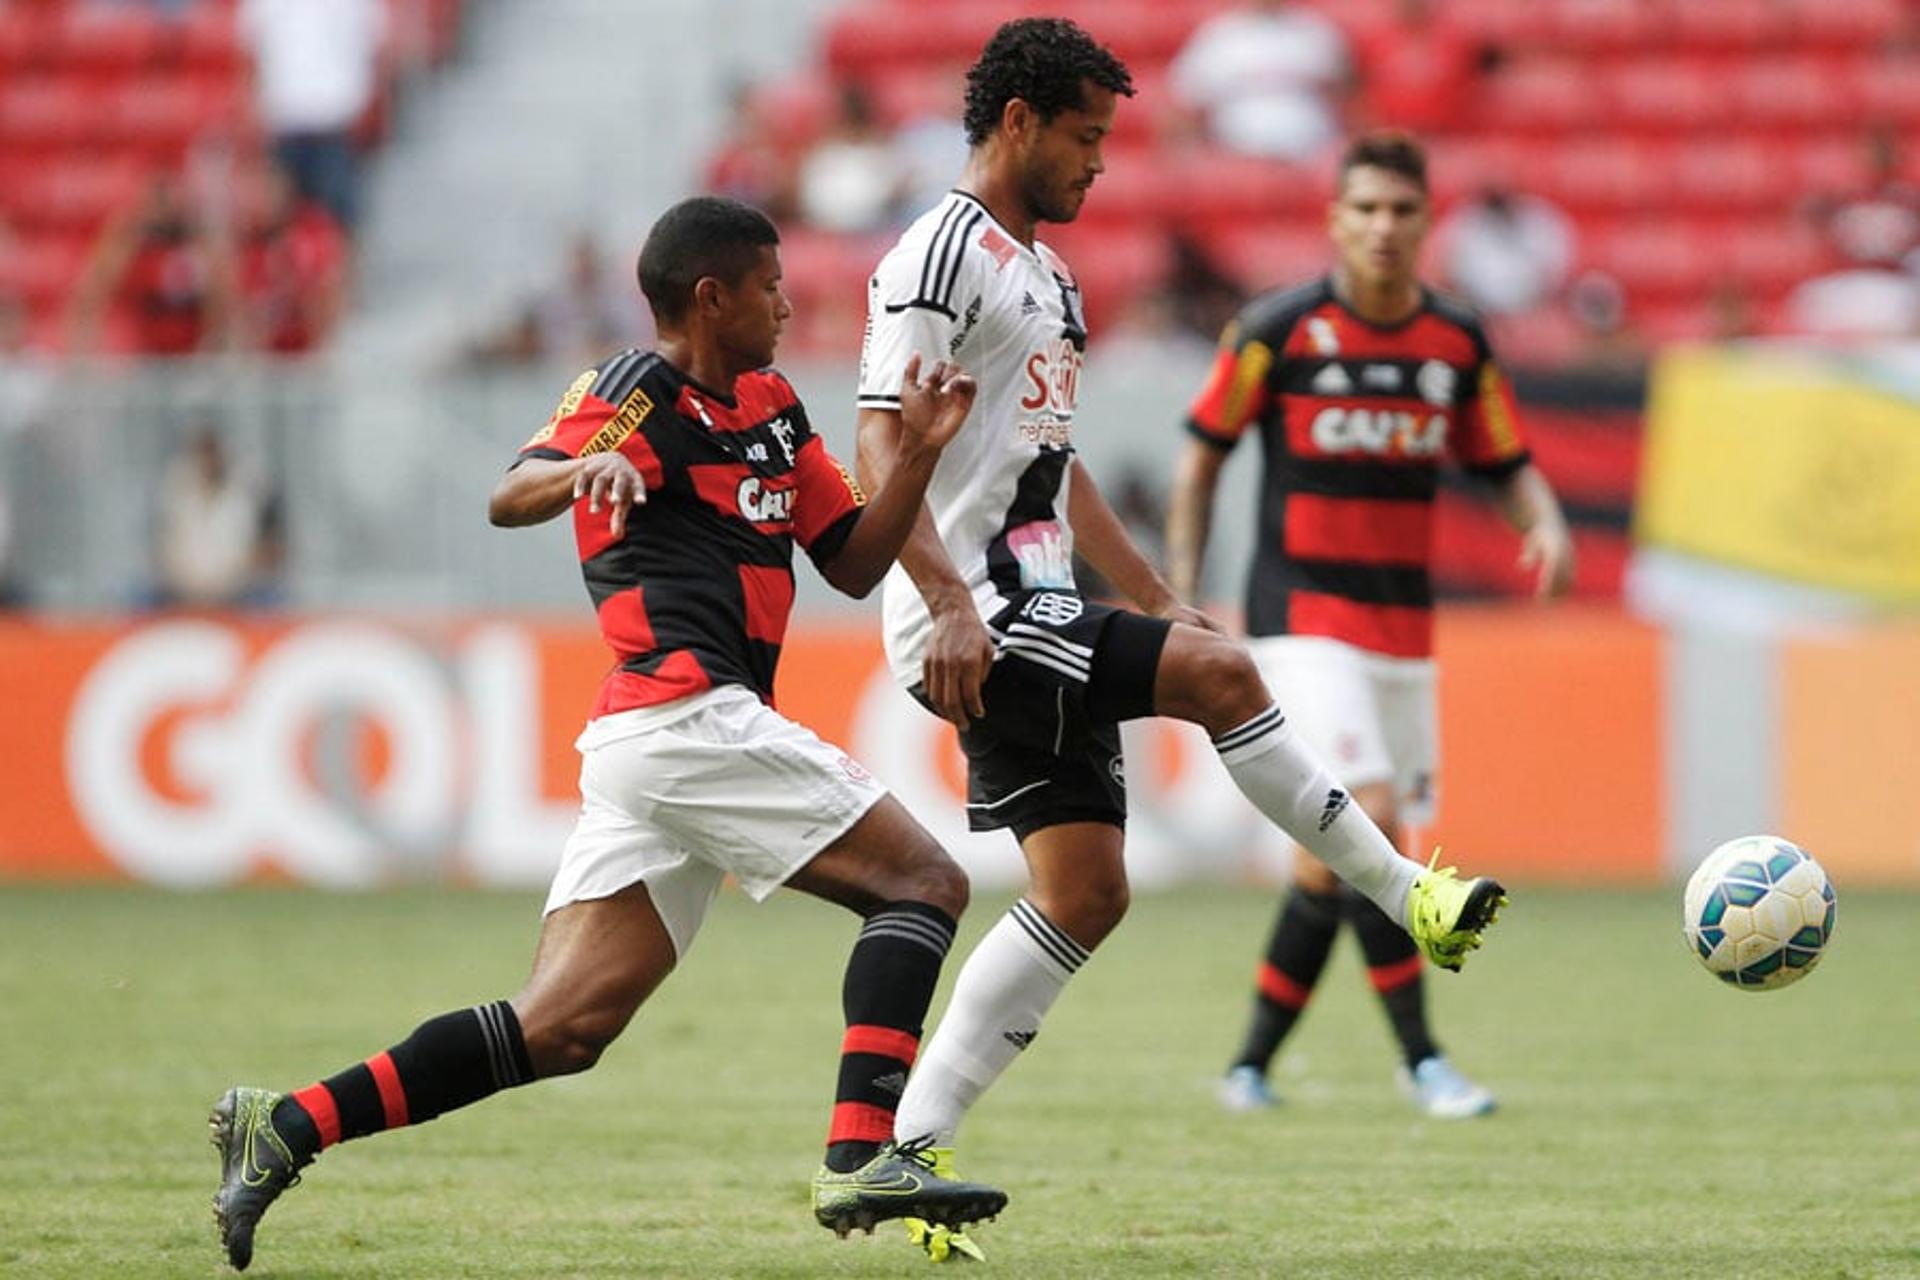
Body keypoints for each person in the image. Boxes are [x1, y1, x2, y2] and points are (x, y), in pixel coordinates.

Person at [207, 196, 1007, 1272]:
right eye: (770, 284)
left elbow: (852, 560)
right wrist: (586, 467)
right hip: (685, 713)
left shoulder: (772, 403)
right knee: (924, 883)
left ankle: (286, 1122)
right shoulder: (635, 392)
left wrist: (914, 459)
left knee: (561, 1028)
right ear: (711, 296)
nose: (787, 299)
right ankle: (864, 1151)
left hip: (669, 740)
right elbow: (509, 492)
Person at [853, 22, 1507, 1262]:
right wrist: (939, 596)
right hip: (976, 610)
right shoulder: (937, 252)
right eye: (1086, 138)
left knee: (1087, 893)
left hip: (1028, 591)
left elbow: (1052, 462)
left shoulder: (1047, 279)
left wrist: (1152, 588)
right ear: (1018, 123)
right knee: (1226, 676)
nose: (1101, 165)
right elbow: (877, 442)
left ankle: (907, 1146)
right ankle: (1408, 890)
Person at [1162, 131, 1575, 1121]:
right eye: (1367, 209)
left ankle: (1249, 1065)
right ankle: (1425, 1059)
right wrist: (1183, 592)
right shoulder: (1278, 330)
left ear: (1427, 223)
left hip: (1403, 631)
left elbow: (1503, 458)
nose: (1384, 227)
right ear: (1334, 220)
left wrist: (1545, 521)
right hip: (1299, 616)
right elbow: (1201, 456)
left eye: (1402, 210)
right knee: (1377, 814)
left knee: (1333, 860)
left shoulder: (1456, 342)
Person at [1164, 0, 1353, 164]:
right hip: (1237, 162)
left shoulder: (1316, 33)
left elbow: (1348, 102)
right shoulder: (1217, 37)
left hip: (1311, 157)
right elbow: (1187, 109)